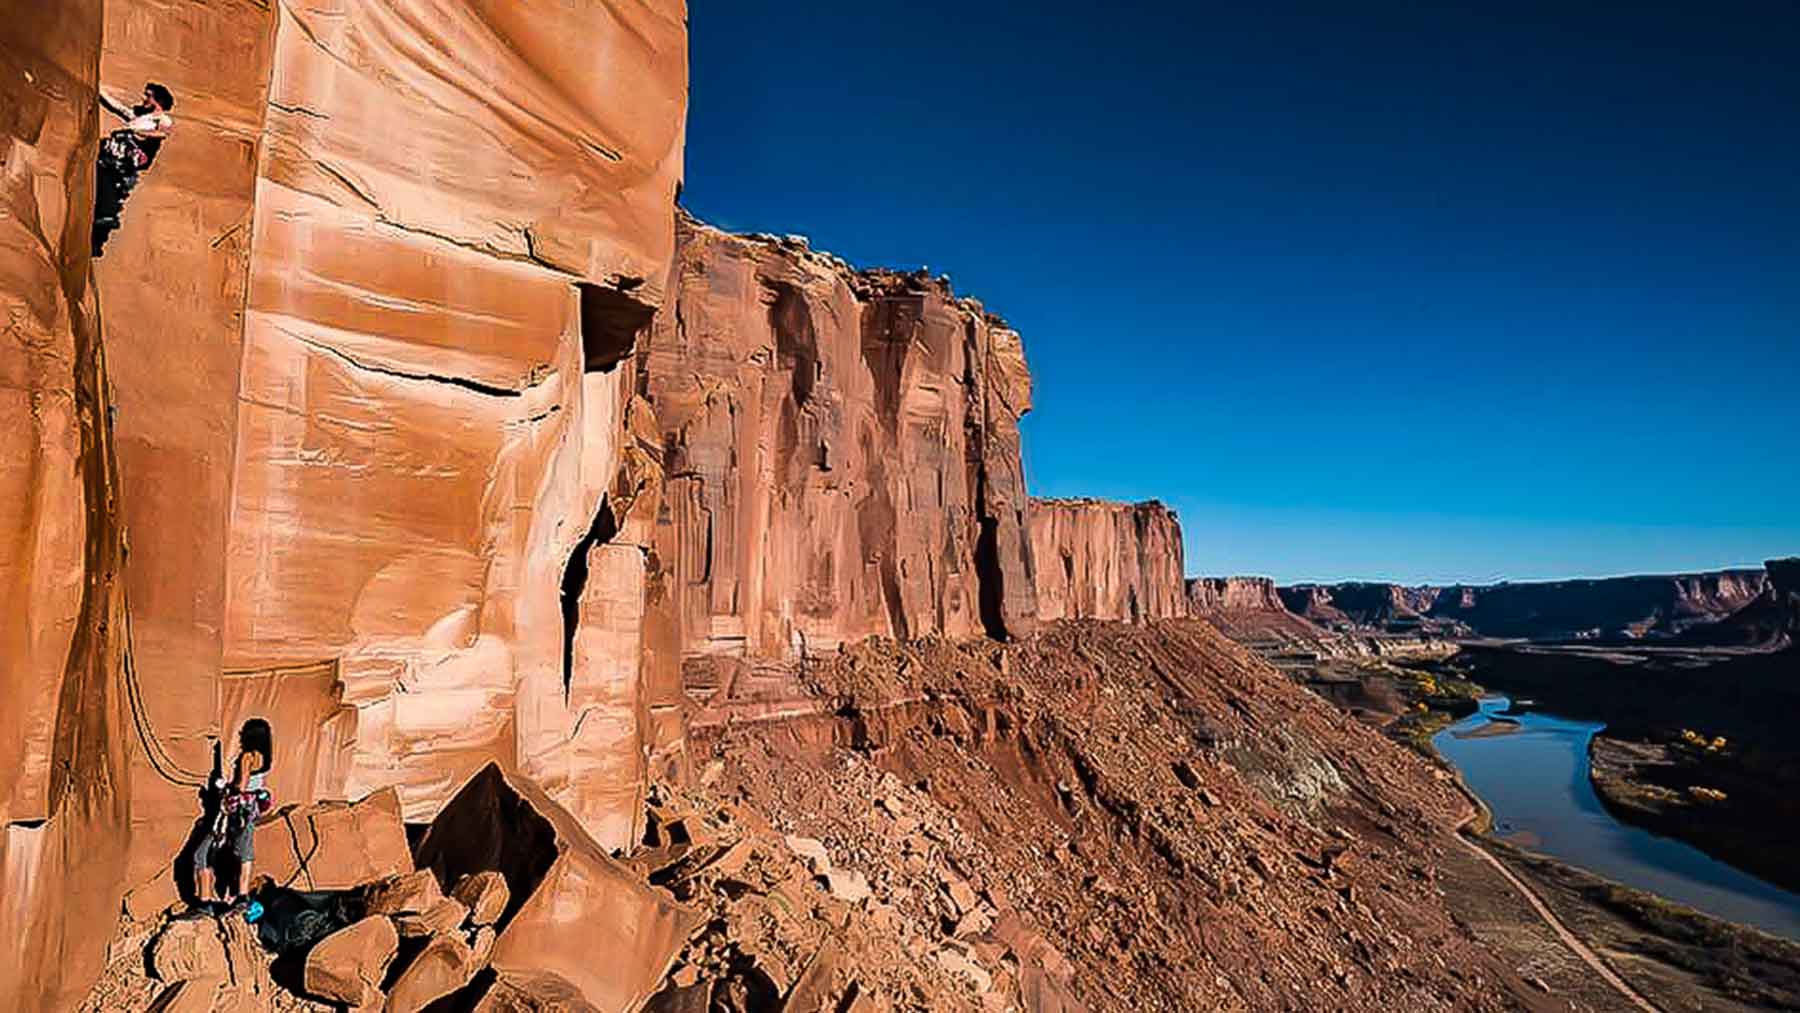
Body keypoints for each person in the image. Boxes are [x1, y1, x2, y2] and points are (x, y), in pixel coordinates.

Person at [195, 718, 274, 908]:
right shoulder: (263, 757)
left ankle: (204, 903)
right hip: (251, 810)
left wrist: (223, 786)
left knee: (202, 854)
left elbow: (241, 786)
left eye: (243, 732)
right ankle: (242, 895)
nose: (239, 735)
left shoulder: (247, 756)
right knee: (244, 853)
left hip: (237, 811)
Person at [93, 82, 175, 258]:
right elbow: (117, 108)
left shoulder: (161, 119)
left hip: (123, 166)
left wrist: (137, 133)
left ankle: (102, 230)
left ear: (157, 100)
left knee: (109, 195)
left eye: (148, 96)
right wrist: (97, 89)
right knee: (101, 188)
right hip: (112, 161)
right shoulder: (139, 119)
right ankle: (99, 230)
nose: (144, 99)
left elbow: (163, 133)